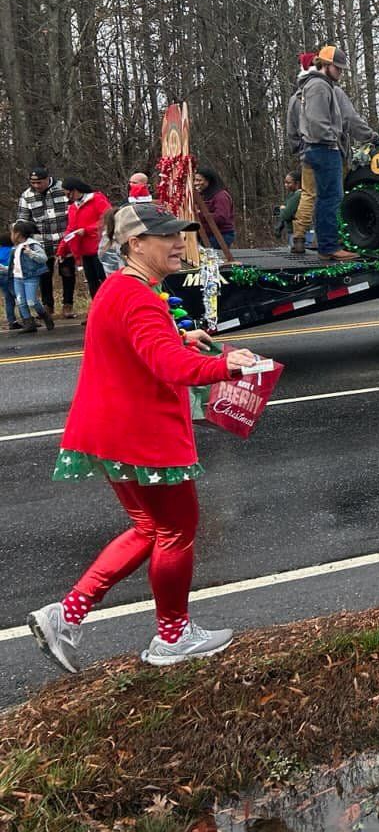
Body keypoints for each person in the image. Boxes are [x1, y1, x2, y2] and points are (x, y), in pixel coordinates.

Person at [26, 203, 259, 673]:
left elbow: (146, 346)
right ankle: (172, 637)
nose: (179, 243)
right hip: (143, 436)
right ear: (136, 244)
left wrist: (182, 338)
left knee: (150, 528)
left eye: (181, 234)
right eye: (167, 237)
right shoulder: (137, 295)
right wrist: (226, 364)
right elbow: (166, 367)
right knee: (176, 531)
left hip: (111, 433)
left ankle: (64, 616)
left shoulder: (121, 287)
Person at [298, 44, 379, 262]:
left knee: (325, 198)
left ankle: (326, 243)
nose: (340, 73)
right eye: (338, 68)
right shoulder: (319, 86)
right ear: (326, 65)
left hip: (320, 148)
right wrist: (333, 140)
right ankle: (329, 246)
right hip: (324, 149)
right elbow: (318, 122)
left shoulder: (320, 85)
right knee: (331, 198)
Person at [16, 168, 74, 319]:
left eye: (39, 182)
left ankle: (68, 304)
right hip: (41, 242)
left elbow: (75, 210)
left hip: (64, 240)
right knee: (44, 274)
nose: (36, 185)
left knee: (67, 273)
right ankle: (47, 305)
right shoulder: (27, 196)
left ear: (48, 178)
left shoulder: (63, 189)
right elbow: (22, 219)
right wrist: (24, 239)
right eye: (33, 182)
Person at [59, 178, 113, 299]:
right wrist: (61, 249)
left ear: (75, 190)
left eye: (68, 194)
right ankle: (96, 310)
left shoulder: (97, 199)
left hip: (100, 247)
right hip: (84, 250)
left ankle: (110, 307)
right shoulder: (73, 207)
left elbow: (108, 219)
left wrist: (87, 230)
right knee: (91, 281)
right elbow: (70, 229)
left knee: (104, 279)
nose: (68, 197)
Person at [286, 50, 318, 254]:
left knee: (308, 195)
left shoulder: (294, 99)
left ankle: (298, 237)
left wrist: (299, 148)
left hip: (307, 152)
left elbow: (291, 129)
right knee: (331, 196)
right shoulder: (325, 90)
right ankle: (326, 238)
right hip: (327, 150)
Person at [9, 220, 53, 332]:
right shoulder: (16, 247)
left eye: (13, 232)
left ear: (19, 233)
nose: (12, 235)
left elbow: (44, 258)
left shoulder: (32, 245)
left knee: (31, 301)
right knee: (21, 301)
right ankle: (28, 323)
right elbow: (13, 263)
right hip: (18, 277)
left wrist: (31, 253)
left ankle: (45, 315)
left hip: (31, 277)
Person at [192, 167, 235, 248]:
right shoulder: (203, 195)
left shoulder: (221, 196)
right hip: (205, 234)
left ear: (209, 181)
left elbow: (221, 217)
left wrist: (199, 215)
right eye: (195, 180)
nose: (195, 183)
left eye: (199, 180)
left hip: (221, 235)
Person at [275, 172, 302, 245]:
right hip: (291, 231)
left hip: (297, 232)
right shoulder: (291, 194)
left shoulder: (298, 195)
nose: (285, 185)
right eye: (285, 182)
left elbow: (286, 215)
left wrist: (282, 209)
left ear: (297, 183)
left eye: (288, 183)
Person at [0, 240, 16, 329]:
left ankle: (12, 321)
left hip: (0, 276)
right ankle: (27, 319)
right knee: (19, 297)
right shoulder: (13, 250)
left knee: (8, 299)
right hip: (10, 275)